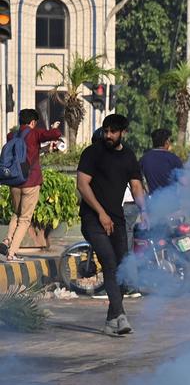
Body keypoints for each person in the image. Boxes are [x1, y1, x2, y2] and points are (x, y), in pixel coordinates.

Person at [76, 114, 148, 336]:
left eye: (113, 132)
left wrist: (146, 211)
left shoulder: (128, 157)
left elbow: (136, 187)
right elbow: (82, 183)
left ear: (123, 133)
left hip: (117, 220)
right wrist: (100, 212)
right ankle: (121, 315)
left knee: (120, 268)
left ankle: (110, 321)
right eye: (106, 130)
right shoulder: (93, 153)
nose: (108, 135)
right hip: (92, 219)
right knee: (108, 261)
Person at [0, 109, 61, 262]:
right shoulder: (34, 134)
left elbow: (27, 153)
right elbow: (56, 135)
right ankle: (12, 253)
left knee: (17, 213)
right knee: (25, 219)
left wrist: (45, 150)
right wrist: (54, 127)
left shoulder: (12, 135)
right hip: (31, 182)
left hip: (14, 182)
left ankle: (7, 240)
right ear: (33, 122)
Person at [140, 128, 184, 195]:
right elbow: (184, 182)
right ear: (167, 142)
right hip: (171, 202)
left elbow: (138, 180)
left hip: (152, 201)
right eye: (170, 140)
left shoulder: (144, 159)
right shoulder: (174, 159)